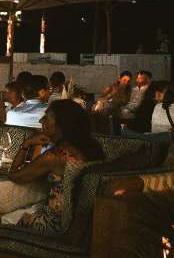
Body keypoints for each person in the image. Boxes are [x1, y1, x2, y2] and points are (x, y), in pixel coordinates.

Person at [8, 99, 105, 234]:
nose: (41, 121)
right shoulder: (92, 148)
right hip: (85, 225)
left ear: (61, 125)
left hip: (53, 225)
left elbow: (15, 176)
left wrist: (27, 144)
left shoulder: (55, 156)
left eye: (46, 117)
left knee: (5, 218)